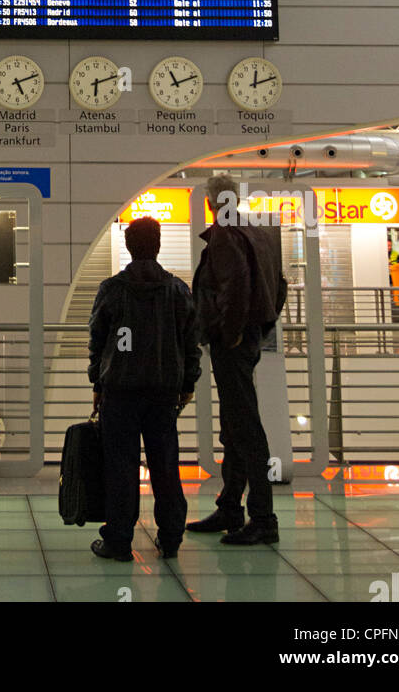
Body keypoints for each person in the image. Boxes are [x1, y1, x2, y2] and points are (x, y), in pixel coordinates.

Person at [87, 216, 201, 562]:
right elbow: (190, 342)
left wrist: (97, 381)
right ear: (159, 245)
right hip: (163, 393)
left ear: (128, 247)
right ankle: (170, 538)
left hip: (120, 392)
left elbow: (98, 340)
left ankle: (119, 539)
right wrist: (187, 383)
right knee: (165, 464)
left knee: (121, 466)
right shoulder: (177, 291)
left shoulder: (112, 290)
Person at [188, 173, 285, 547]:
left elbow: (236, 286)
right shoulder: (257, 233)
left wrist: (231, 334)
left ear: (212, 203)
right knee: (234, 424)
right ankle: (230, 505)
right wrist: (262, 327)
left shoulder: (226, 234)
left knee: (244, 427)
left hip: (232, 343)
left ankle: (263, 518)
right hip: (249, 339)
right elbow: (280, 284)